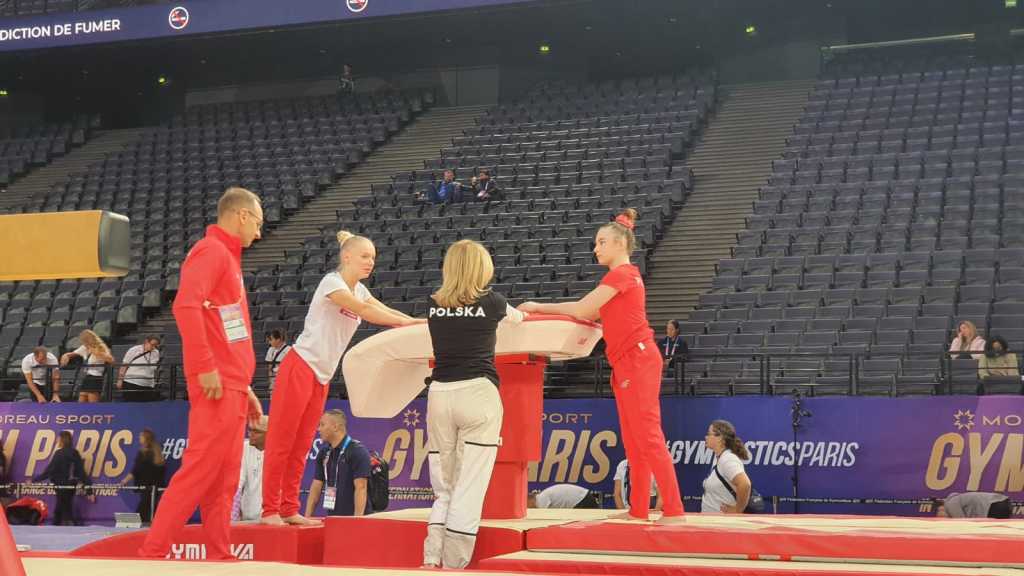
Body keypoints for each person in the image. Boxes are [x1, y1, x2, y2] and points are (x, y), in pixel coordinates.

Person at [518, 209, 685, 525]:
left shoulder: (622, 275)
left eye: (601, 242)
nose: (595, 248)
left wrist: (537, 307)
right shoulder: (619, 279)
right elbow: (590, 315)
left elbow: (582, 309)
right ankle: (638, 509)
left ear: (620, 243)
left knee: (648, 435)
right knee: (634, 440)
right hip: (625, 362)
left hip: (638, 360)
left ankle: (675, 509)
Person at [138, 187, 265, 560]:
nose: (259, 232)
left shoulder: (228, 258)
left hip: (231, 384)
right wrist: (205, 365)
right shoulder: (211, 251)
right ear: (242, 215)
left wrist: (245, 387)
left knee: (225, 478)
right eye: (258, 222)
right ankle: (152, 552)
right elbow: (185, 306)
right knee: (200, 469)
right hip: (216, 383)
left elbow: (226, 328)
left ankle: (219, 553)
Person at [261, 230, 419, 526]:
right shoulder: (331, 283)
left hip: (321, 376)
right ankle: (270, 509)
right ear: (346, 257)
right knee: (282, 442)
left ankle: (288, 508)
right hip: (300, 366)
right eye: (364, 256)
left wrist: (414, 322)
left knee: (302, 445)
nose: (371, 262)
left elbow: (380, 308)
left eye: (373, 257)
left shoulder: (360, 289)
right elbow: (365, 311)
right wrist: (406, 322)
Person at [423, 239, 525, 569]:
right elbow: (520, 319)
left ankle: (431, 558)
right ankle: (454, 563)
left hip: (439, 393)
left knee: (444, 485)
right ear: (483, 268)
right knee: (469, 484)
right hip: (478, 394)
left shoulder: (432, 303)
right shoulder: (493, 302)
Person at [304, 410, 372, 518]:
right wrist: (307, 518)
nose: (319, 429)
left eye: (322, 425)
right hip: (333, 518)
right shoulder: (324, 453)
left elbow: (361, 488)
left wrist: (357, 521)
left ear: (335, 427)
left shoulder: (357, 451)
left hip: (354, 519)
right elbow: (316, 485)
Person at [33, 431, 94, 525]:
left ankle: (65, 525)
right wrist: (89, 490)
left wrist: (34, 480)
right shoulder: (74, 452)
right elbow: (81, 472)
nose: (57, 440)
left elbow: (49, 471)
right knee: (62, 508)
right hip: (71, 486)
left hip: (60, 486)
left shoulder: (59, 453)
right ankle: (58, 524)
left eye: (58, 439)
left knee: (64, 510)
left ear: (62, 440)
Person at [701, 420, 753, 514]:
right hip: (711, 519)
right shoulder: (719, 458)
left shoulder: (728, 459)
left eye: (709, 434)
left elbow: (745, 484)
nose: (706, 437)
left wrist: (737, 510)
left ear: (720, 438)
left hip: (721, 521)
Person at [119, 428, 167, 524]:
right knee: (151, 508)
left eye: (141, 436)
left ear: (146, 438)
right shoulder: (158, 453)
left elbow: (135, 470)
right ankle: (152, 526)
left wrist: (124, 481)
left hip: (146, 487)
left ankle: (132, 525)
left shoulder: (143, 453)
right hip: (156, 487)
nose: (139, 438)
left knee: (143, 509)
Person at [61, 329, 113, 403]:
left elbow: (111, 360)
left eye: (83, 340)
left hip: (96, 377)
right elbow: (72, 354)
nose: (82, 342)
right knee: (81, 401)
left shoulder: (100, 347)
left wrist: (97, 353)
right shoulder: (84, 348)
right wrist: (65, 355)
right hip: (87, 377)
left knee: (92, 404)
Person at [233, 415, 269, 521]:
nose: (250, 434)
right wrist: (232, 519)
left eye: (256, 431)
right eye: (250, 430)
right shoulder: (244, 448)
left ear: (269, 434)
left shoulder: (279, 453)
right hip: (247, 520)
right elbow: (237, 485)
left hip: (270, 520)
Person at [117, 335, 162, 402]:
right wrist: (120, 380)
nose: (153, 347)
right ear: (146, 341)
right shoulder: (134, 350)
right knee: (131, 404)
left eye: (156, 346)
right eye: (152, 345)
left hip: (148, 385)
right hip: (131, 382)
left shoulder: (156, 352)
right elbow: (124, 365)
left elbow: (153, 369)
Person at [937, 492, 1012, 519]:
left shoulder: (950, 504)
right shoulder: (959, 499)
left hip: (993, 506)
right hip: (1003, 501)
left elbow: (962, 523)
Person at [528, 484, 600, 509]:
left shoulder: (540, 499)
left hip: (582, 500)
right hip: (583, 498)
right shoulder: (543, 495)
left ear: (530, 499)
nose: (527, 508)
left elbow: (542, 518)